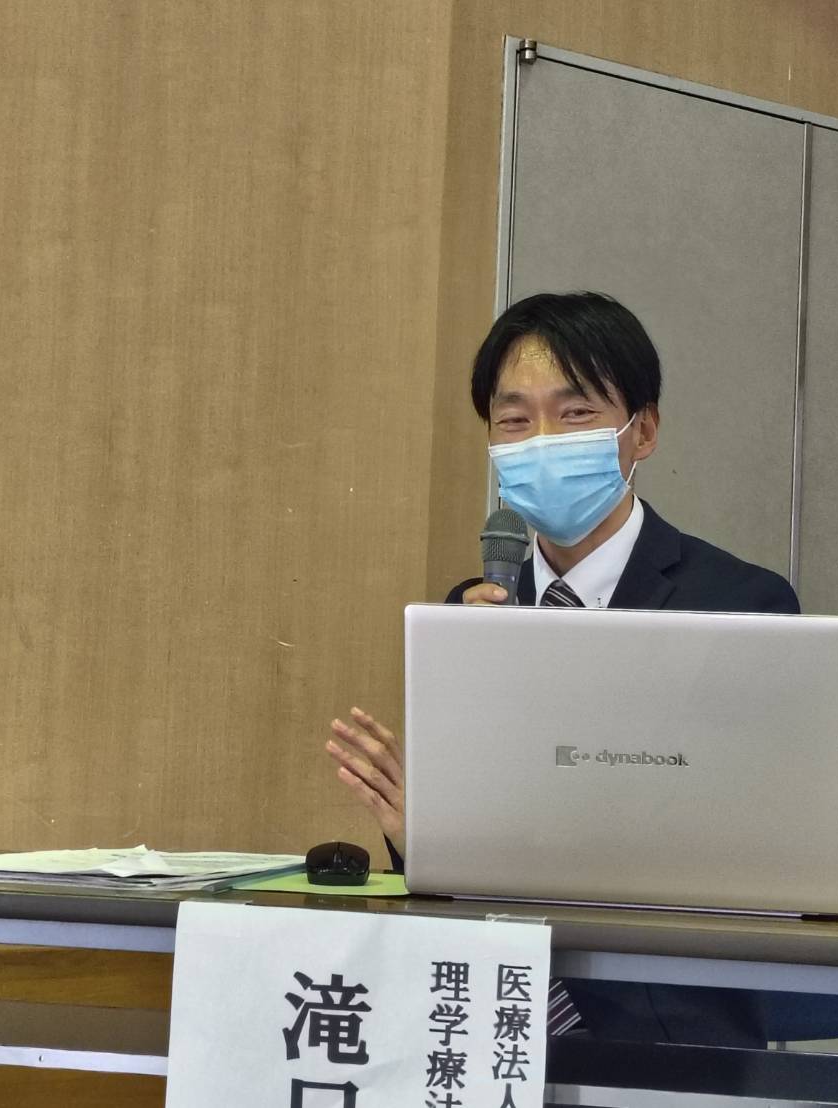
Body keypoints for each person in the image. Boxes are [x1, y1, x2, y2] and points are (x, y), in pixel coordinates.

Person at [323, 291, 797, 1050]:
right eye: (514, 421)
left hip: (669, 1013)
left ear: (642, 431)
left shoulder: (742, 604)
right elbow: (458, 878)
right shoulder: (472, 612)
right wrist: (424, 840)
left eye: (574, 415)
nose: (541, 441)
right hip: (494, 1008)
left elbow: (749, 843)